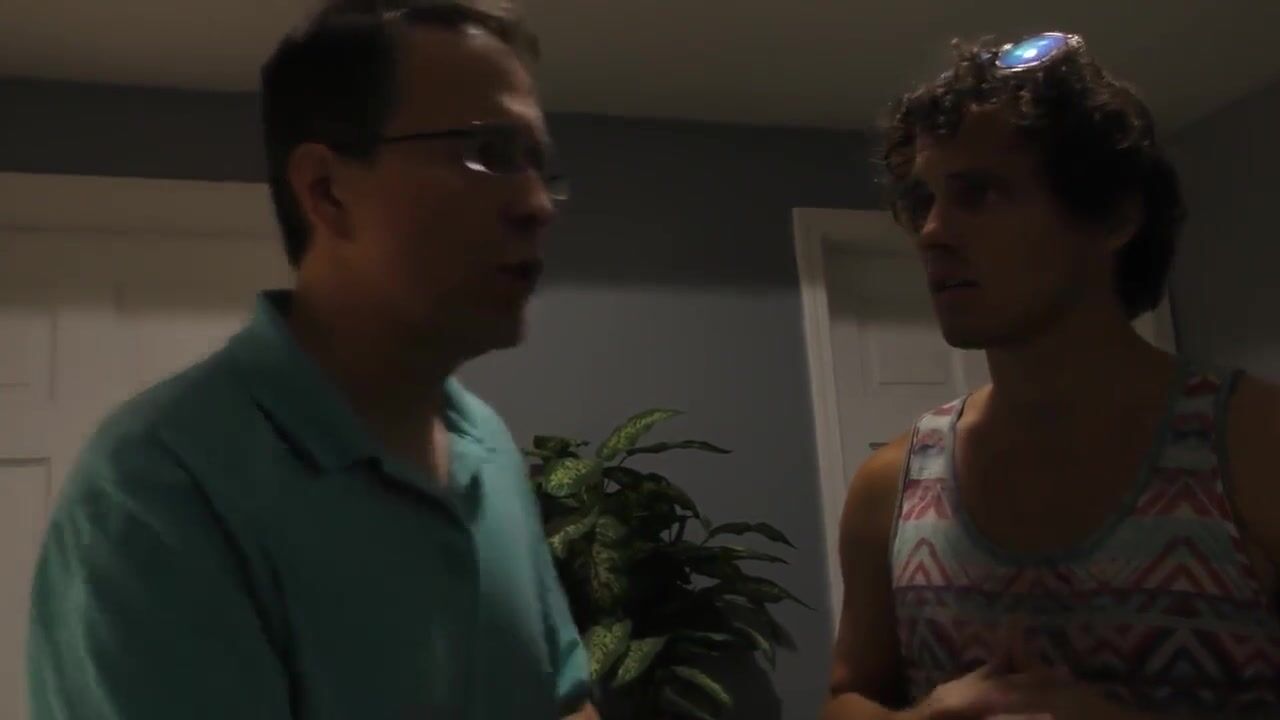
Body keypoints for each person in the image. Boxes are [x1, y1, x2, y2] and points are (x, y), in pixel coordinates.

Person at [26, 1, 598, 718]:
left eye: (542, 166)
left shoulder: (488, 446)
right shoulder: (157, 490)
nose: (538, 204)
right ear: (328, 191)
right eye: (488, 152)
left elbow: (560, 702)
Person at [822, 32, 1280, 720]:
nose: (932, 232)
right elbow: (847, 692)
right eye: (922, 202)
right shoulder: (891, 485)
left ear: (1114, 215)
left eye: (978, 193)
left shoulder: (1255, 448)